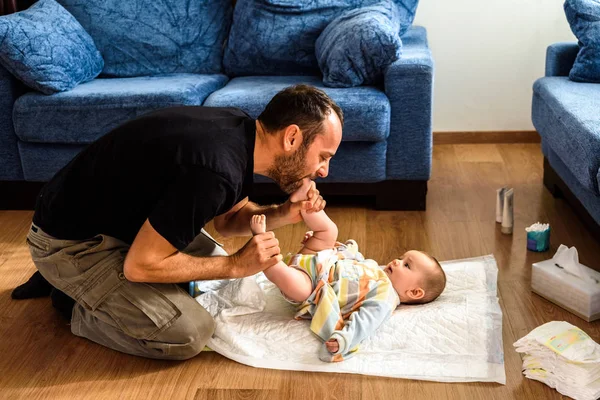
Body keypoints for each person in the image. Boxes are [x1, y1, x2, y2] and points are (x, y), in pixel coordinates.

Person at [11, 84, 344, 360]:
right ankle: (74, 300)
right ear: (291, 138)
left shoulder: (240, 134)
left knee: (210, 273)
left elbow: (228, 222)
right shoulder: (215, 169)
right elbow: (139, 267)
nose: (323, 171)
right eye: (323, 157)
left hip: (119, 227)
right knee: (189, 332)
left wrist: (285, 213)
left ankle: (89, 286)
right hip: (73, 243)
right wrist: (234, 265)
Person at [246, 179, 446, 362]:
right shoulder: (377, 270)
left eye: (406, 265)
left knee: (298, 288)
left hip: (314, 285)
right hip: (321, 259)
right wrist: (336, 248)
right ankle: (305, 202)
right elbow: (354, 261)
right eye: (402, 258)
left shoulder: (386, 298)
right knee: (329, 231)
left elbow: (364, 323)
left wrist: (344, 339)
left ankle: (264, 249)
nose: (397, 261)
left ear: (414, 292)